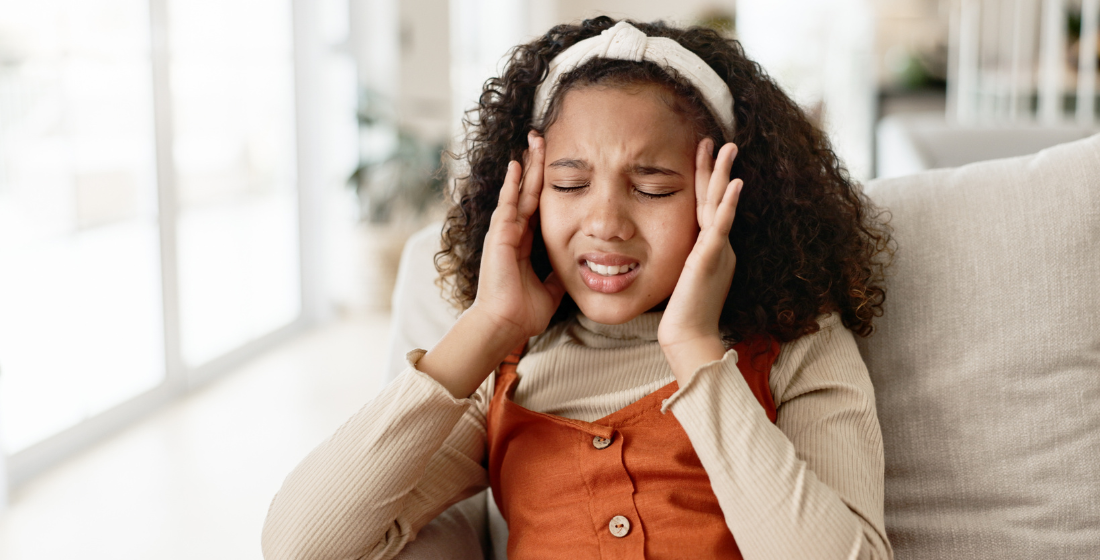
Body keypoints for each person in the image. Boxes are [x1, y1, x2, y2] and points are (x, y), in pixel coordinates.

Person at [262, 16, 894, 560]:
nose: (606, 223)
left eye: (652, 187)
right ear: (529, 193)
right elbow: (300, 545)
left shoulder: (798, 344)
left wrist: (695, 348)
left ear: (726, 195)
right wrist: (488, 324)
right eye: (569, 185)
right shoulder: (503, 374)